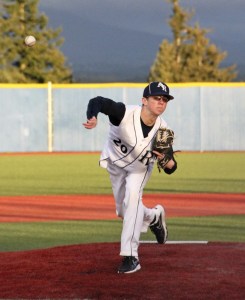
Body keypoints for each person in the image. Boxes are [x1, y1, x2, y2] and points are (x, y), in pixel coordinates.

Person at [83, 81, 177, 274]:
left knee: (133, 199)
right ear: (144, 100)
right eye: (156, 98)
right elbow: (98, 101)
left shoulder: (162, 131)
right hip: (115, 165)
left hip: (139, 170)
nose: (161, 102)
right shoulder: (123, 113)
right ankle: (153, 217)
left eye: (165, 99)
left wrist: (167, 161)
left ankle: (131, 255)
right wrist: (92, 116)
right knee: (123, 211)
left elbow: (171, 167)